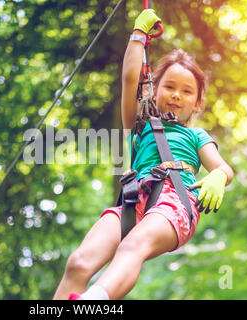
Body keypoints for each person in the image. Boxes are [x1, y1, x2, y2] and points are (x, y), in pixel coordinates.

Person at [53, 9, 234, 300]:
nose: (176, 95)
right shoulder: (139, 126)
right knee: (78, 263)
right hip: (133, 199)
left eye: (187, 91)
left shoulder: (196, 136)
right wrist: (138, 36)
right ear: (154, 90)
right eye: (170, 87)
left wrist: (216, 176)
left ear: (197, 103)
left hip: (176, 198)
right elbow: (129, 80)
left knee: (132, 245)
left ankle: (92, 302)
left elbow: (225, 169)